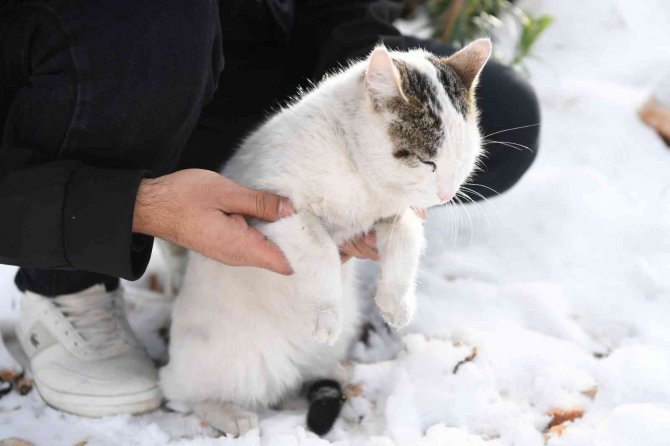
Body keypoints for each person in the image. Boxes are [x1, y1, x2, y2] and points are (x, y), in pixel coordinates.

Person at [0, 0, 540, 416]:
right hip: (121, 59)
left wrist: (368, 107)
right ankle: (67, 280)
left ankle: (210, 226)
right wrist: (136, 207)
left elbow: (341, 13)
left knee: (511, 110)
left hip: (246, 65)